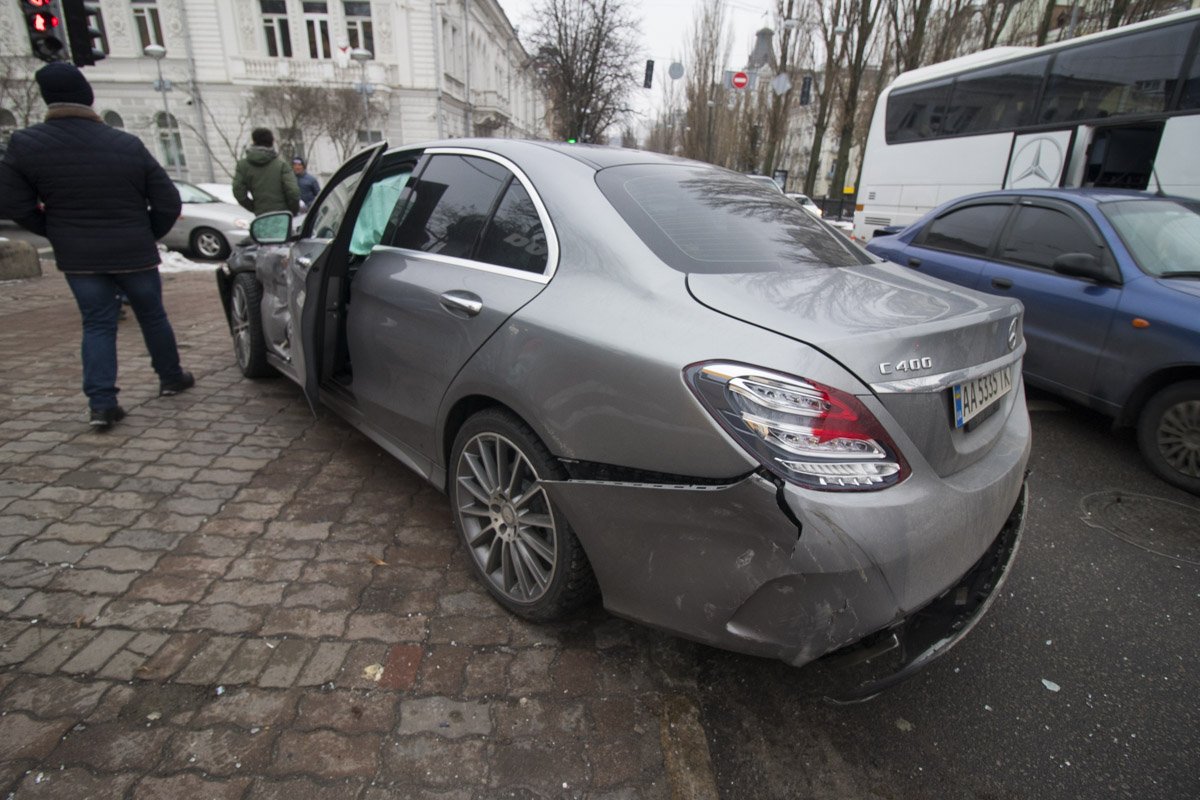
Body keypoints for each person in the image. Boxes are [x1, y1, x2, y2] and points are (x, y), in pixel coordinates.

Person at [0, 62, 194, 430]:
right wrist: (145, 232)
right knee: (153, 316)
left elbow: (13, 204)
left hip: (80, 257)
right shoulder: (125, 143)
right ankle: (171, 377)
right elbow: (168, 201)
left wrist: (56, 231)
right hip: (134, 251)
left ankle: (102, 404)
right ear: (87, 96)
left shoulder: (26, 144)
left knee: (98, 324)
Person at [232, 127, 300, 215]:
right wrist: (292, 210)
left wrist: (254, 207)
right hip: (282, 215)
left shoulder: (243, 165)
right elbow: (293, 192)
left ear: (254, 142)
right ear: (271, 142)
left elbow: (238, 191)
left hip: (261, 216)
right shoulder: (281, 165)